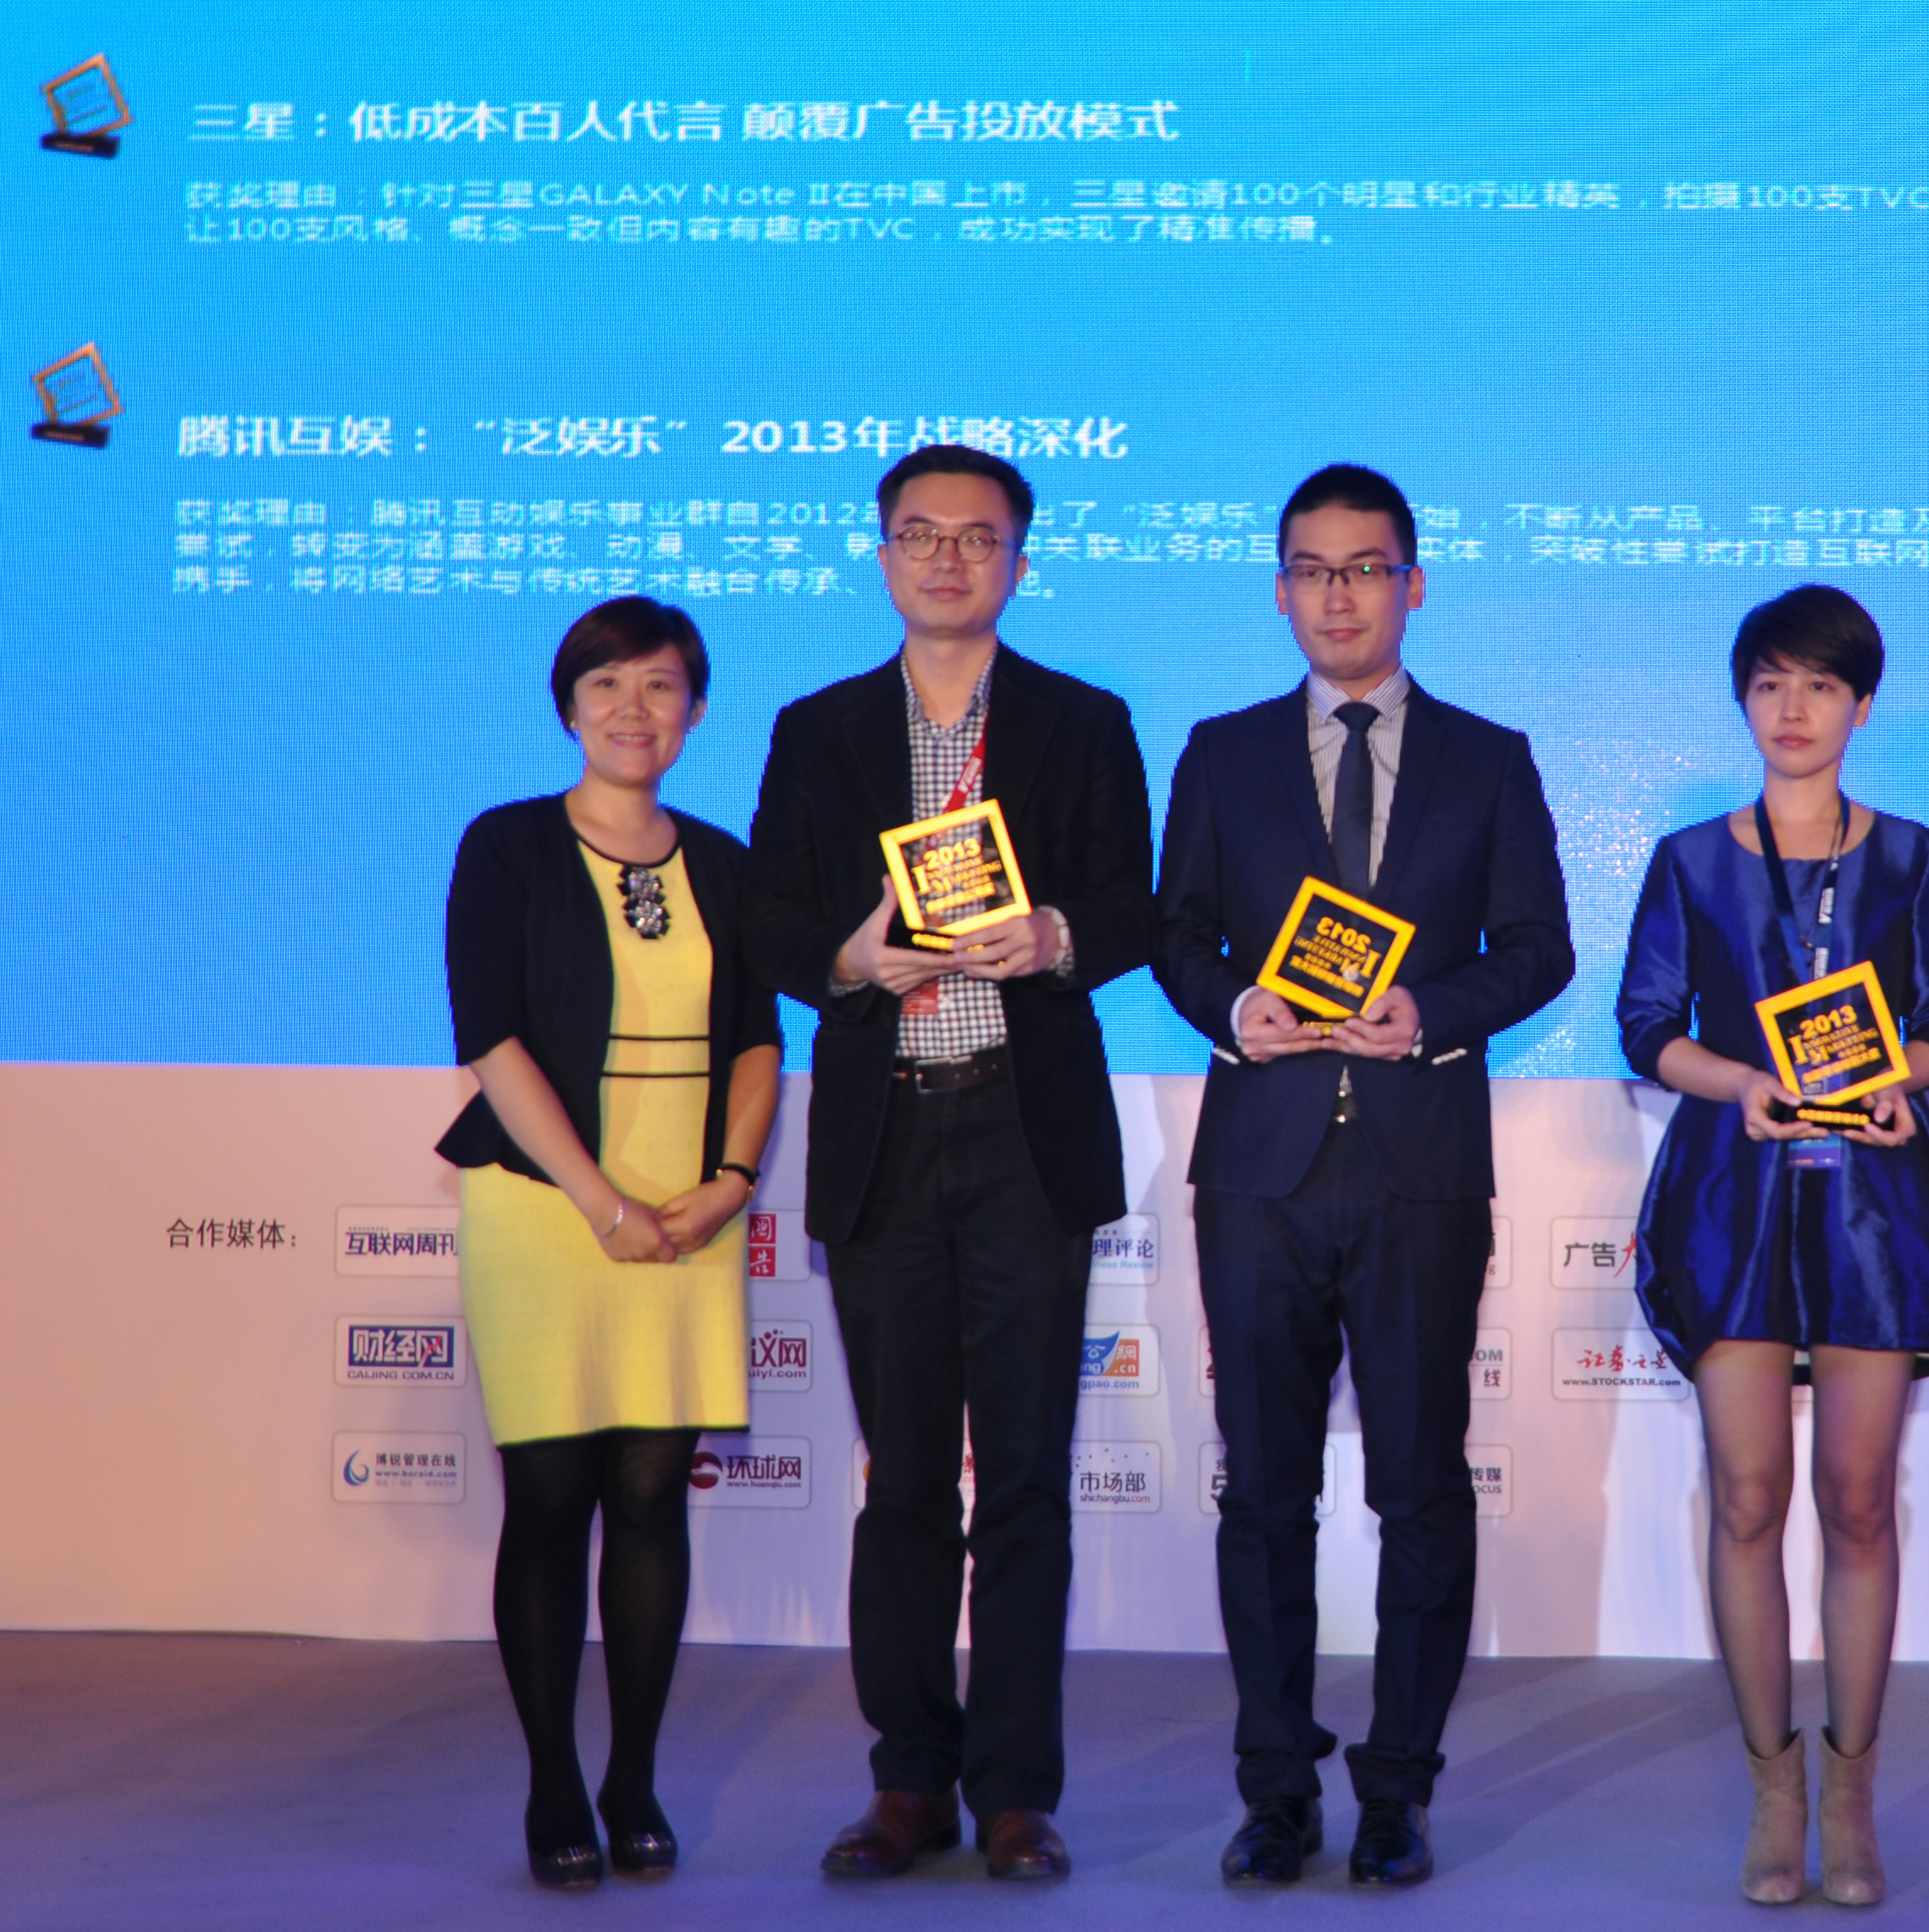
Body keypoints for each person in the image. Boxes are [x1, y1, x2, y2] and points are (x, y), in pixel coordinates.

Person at [1153, 463, 1574, 1890]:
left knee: (1419, 1488)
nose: (1338, 593)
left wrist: (1431, 1012)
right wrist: (1233, 1007)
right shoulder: (1219, 752)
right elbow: (1176, 932)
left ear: (1413, 583)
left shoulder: (1489, 757)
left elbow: (1540, 947)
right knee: (1263, 1494)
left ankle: (1397, 1787)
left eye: (1365, 566)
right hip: (1260, 1169)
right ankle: (1275, 1789)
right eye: (1311, 568)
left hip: (1417, 1166)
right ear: (1280, 589)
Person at [746, 444, 1156, 1882]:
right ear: (882, 556)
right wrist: (851, 959)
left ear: (1018, 562)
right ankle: (908, 1777)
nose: (944, 558)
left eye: (975, 538)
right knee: (906, 1475)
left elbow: (1134, 905)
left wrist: (1053, 936)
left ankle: (1016, 1789)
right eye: (917, 534)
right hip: (886, 1128)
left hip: (1022, 1127)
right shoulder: (817, 729)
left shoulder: (1083, 721)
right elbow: (772, 920)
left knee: (1027, 1475)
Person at [1614, 584, 1929, 1906]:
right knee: (1748, 1497)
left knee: (1859, 1500)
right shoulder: (1689, 859)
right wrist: (1737, 1083)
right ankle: (1774, 1791)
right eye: (1769, 682)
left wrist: (1906, 1075)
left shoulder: (1915, 857)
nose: (1792, 707)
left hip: (1872, 1200)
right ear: (1742, 697)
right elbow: (1646, 1021)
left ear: (1860, 705)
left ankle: (1851, 1795)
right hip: (1733, 1196)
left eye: (1819, 684)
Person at [439, 597, 782, 1889]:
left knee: (649, 1496)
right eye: (606, 684)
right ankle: (552, 1782)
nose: (634, 708)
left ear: (696, 708)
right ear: (568, 705)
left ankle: (633, 1776)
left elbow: (758, 1038)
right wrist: (598, 1201)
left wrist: (730, 1182)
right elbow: (489, 1035)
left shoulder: (727, 862)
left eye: (660, 685)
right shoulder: (509, 844)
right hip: (545, 1207)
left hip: (688, 1213)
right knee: (549, 1500)